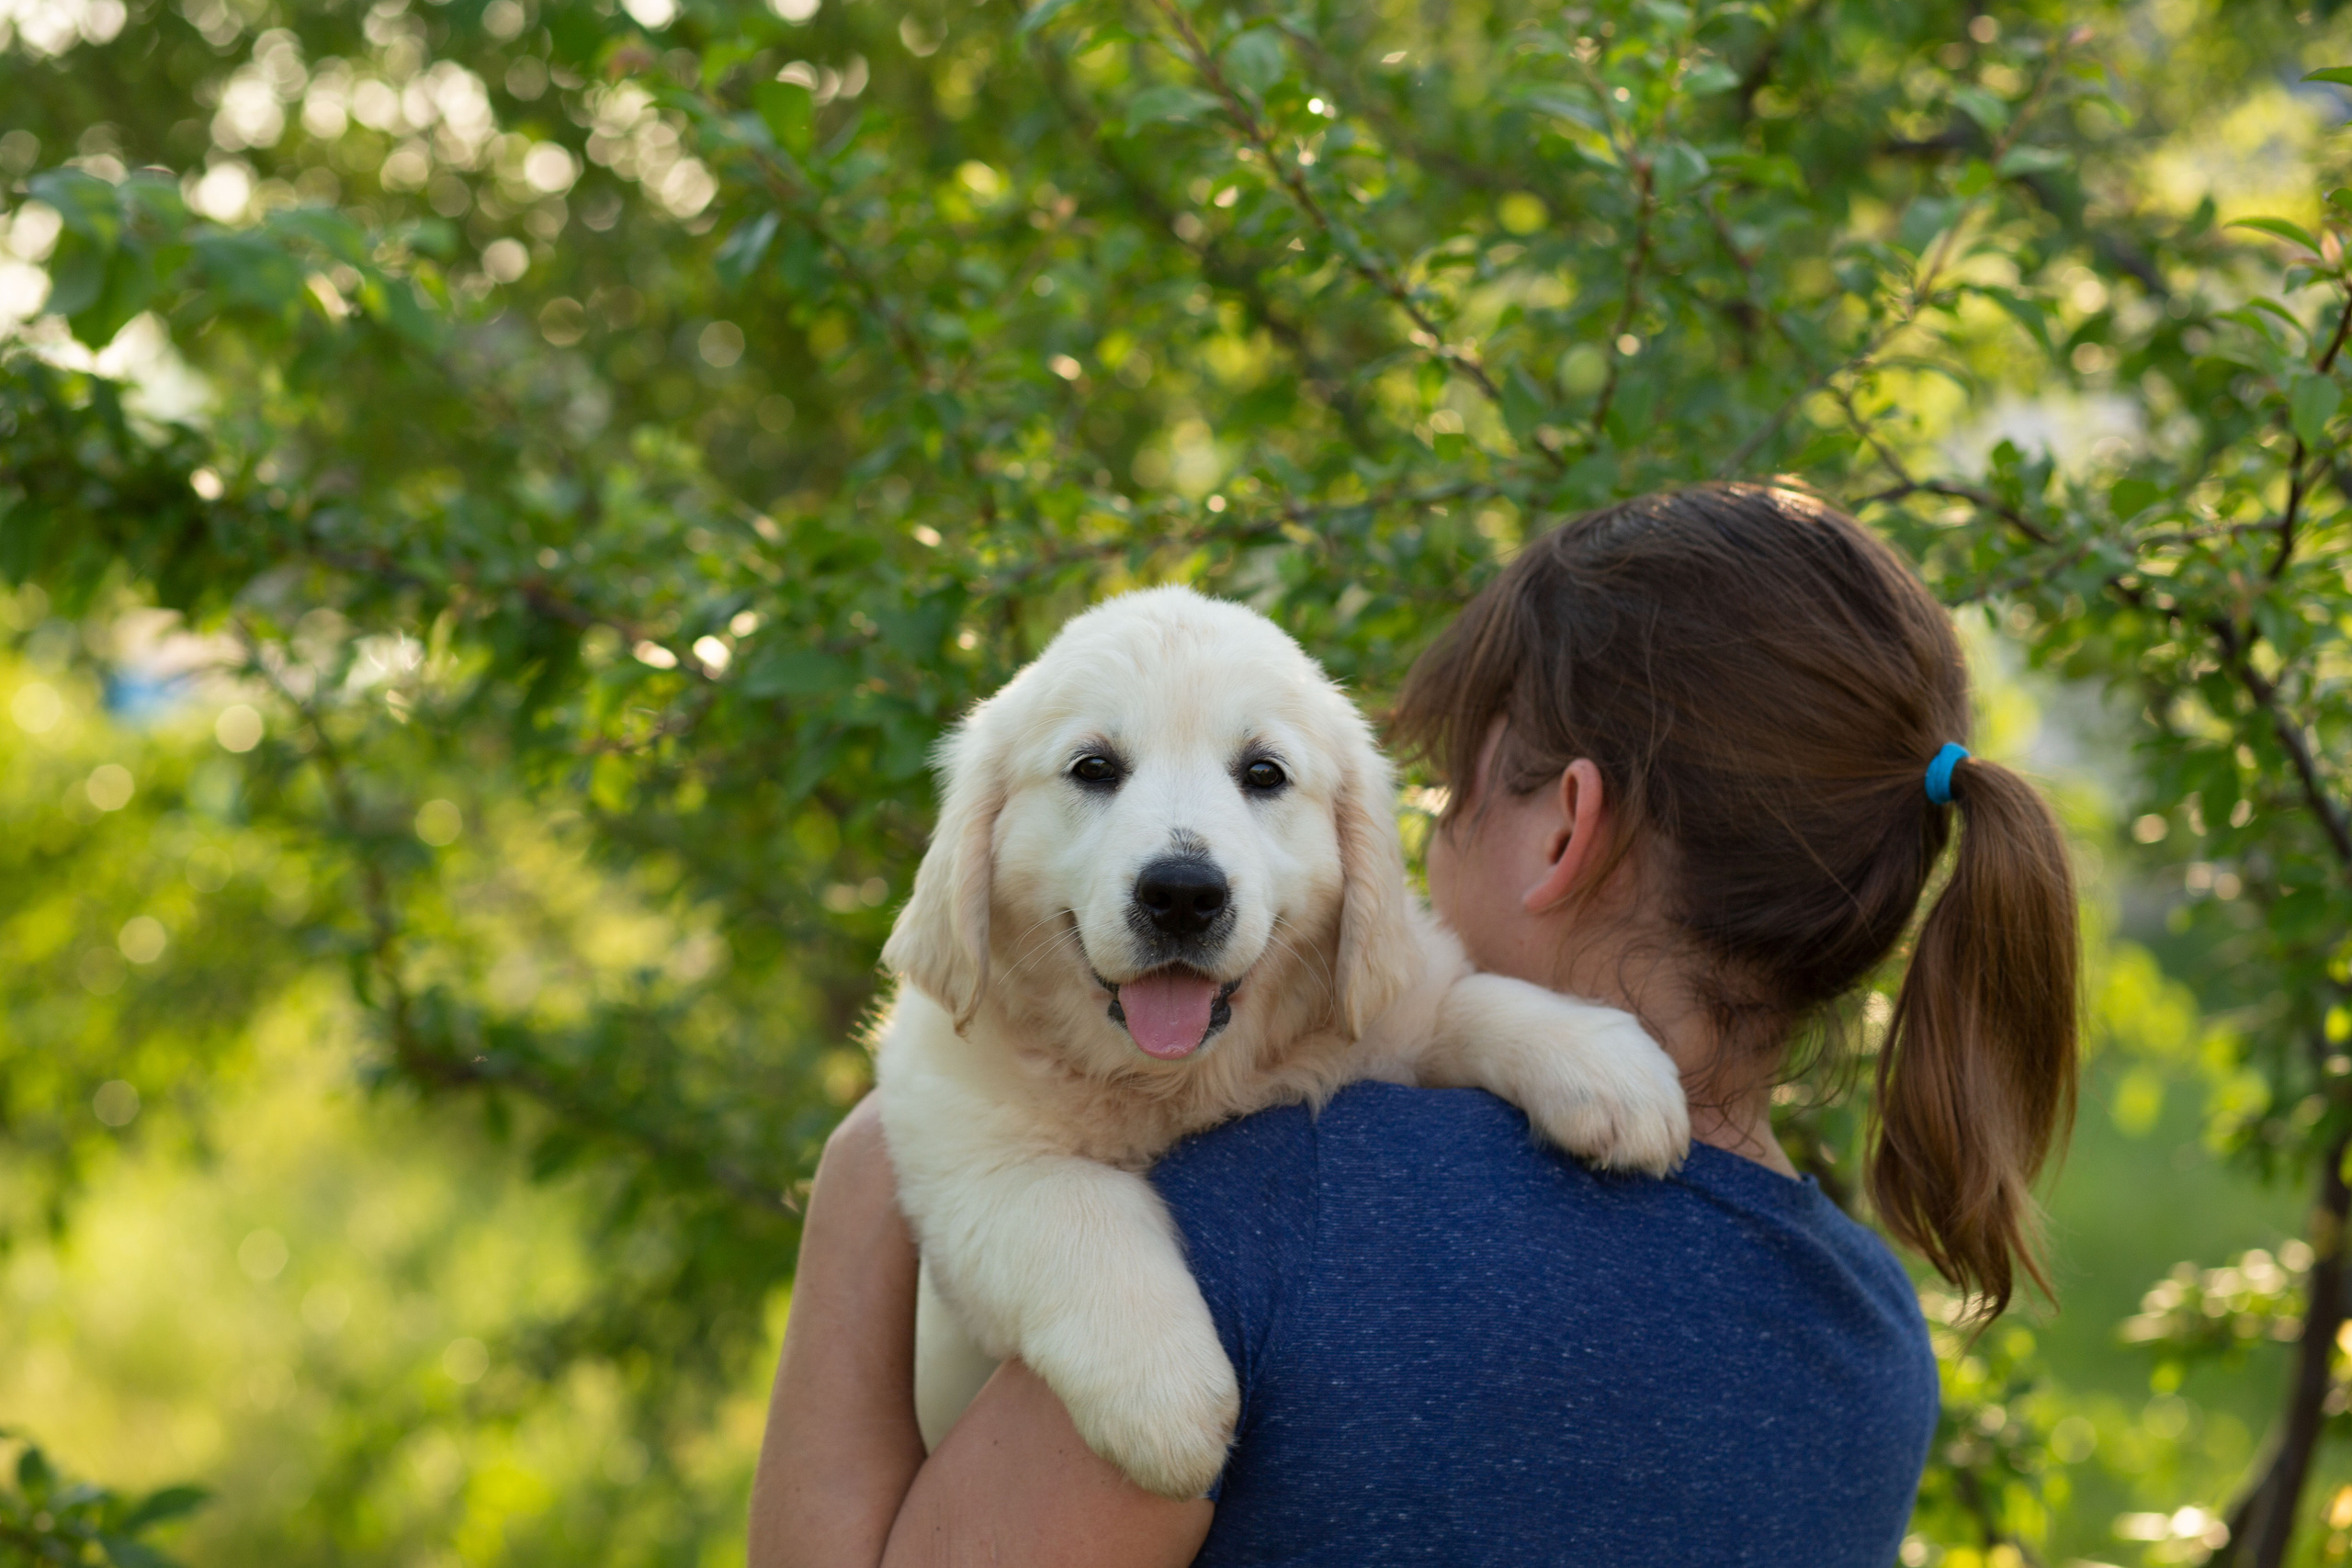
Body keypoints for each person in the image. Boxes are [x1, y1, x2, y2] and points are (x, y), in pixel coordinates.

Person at [747, 482, 2080, 1567]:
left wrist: (875, 1164)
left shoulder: (1267, 1214)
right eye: (1096, 770)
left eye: (1448, 798)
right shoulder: (1871, 1339)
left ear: (1562, 829)